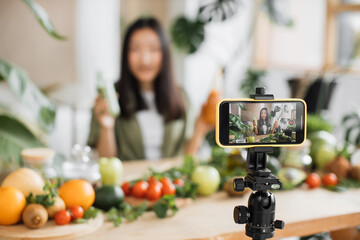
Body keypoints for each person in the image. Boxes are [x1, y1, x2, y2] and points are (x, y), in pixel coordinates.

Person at [87, 17, 212, 161]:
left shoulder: (181, 96)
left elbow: (187, 159)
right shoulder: (111, 97)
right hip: (128, 182)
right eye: (135, 49)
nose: (145, 59)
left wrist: (201, 128)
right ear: (125, 54)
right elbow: (106, 163)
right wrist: (106, 127)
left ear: (164, 53)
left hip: (170, 182)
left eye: (153, 49)